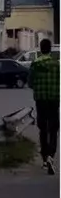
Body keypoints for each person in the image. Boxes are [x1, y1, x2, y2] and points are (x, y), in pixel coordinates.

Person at [28, 38, 60, 174]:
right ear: (50, 49)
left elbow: (30, 83)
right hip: (54, 100)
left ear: (40, 49)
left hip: (40, 101)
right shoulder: (56, 65)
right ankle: (52, 156)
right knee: (53, 129)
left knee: (42, 129)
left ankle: (45, 158)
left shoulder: (35, 64)